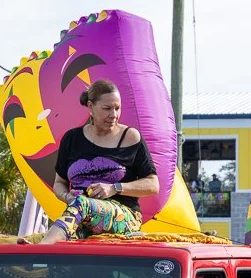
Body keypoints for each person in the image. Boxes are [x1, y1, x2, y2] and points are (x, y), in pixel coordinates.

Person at [33, 80, 159, 243]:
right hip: (81, 217)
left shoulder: (131, 137)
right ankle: (38, 251)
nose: (113, 114)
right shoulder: (71, 138)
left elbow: (153, 185)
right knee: (44, 245)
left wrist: (115, 188)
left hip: (124, 216)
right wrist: (67, 196)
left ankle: (42, 250)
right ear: (91, 107)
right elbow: (59, 183)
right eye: (107, 108)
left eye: (117, 108)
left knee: (81, 205)